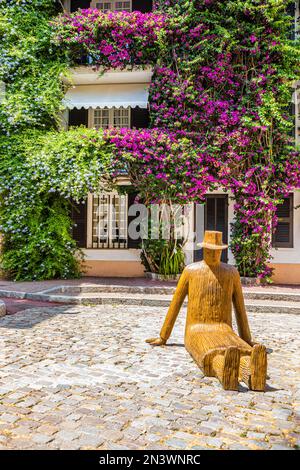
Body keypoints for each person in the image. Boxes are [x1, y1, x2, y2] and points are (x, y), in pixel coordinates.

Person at [146, 231, 267, 391]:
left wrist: (246, 339)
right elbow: (175, 304)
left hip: (224, 329)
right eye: (210, 250)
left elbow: (240, 309)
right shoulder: (191, 271)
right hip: (196, 330)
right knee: (211, 352)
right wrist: (163, 336)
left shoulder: (231, 273)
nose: (213, 254)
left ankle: (252, 371)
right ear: (203, 250)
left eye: (216, 251)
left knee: (238, 346)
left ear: (221, 251)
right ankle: (224, 370)